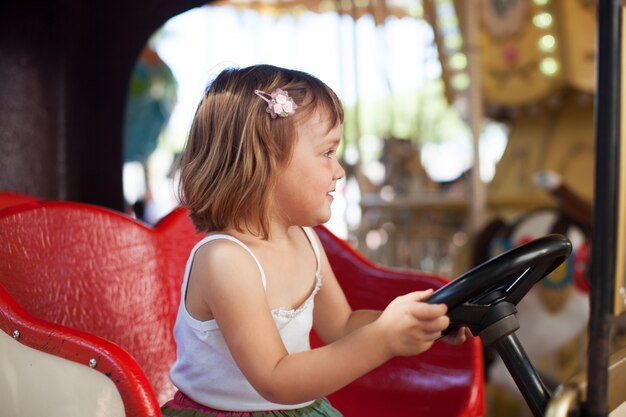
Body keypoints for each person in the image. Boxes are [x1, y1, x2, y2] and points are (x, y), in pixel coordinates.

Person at [161, 64, 470, 417]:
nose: (339, 170)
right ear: (265, 162)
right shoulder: (225, 260)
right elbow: (274, 378)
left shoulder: (306, 241)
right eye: (327, 153)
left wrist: (422, 319)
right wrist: (382, 340)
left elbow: (341, 327)